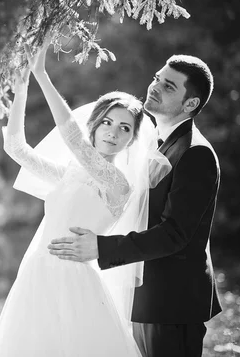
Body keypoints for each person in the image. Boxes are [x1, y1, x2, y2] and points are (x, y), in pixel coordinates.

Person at [0, 43, 170, 357]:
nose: (113, 133)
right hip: (37, 276)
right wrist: (22, 86)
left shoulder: (118, 184)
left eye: (124, 128)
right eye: (108, 123)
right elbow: (16, 148)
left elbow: (72, 136)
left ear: (131, 140)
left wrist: (41, 74)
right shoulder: (71, 172)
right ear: (96, 125)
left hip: (73, 282)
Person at [48, 54, 222, 357]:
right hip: (145, 296)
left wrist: (102, 248)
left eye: (168, 86)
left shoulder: (195, 153)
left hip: (172, 302)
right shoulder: (155, 141)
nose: (154, 86)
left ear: (190, 104)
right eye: (157, 78)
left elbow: (174, 234)